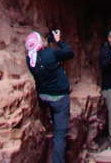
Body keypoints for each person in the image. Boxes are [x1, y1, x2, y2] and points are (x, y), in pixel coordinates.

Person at [26, 30, 74, 163]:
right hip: (59, 98)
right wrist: (58, 41)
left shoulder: (29, 59)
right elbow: (69, 53)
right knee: (60, 134)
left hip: (44, 97)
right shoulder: (50, 53)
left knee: (55, 120)